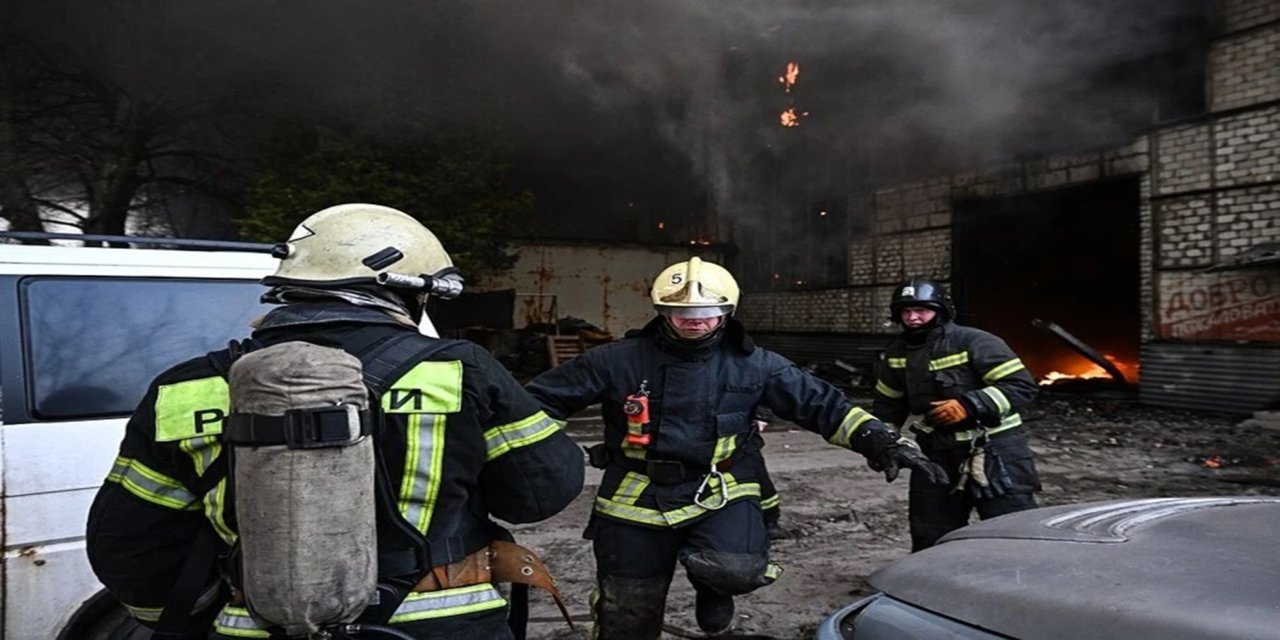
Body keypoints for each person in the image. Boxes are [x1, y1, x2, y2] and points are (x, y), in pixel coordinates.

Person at [85, 203, 585, 640]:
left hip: (250, 624)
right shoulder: (459, 370)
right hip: (442, 624)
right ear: (409, 293)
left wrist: (199, 617)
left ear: (288, 289)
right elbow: (542, 492)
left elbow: (128, 545)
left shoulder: (185, 388)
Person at [525, 257, 946, 639]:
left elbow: (823, 406)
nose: (695, 322)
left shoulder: (756, 364)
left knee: (736, 569)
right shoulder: (615, 360)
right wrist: (536, 457)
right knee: (627, 614)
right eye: (682, 313)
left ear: (727, 311)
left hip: (720, 489)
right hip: (634, 496)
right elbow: (537, 402)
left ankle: (713, 587)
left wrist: (880, 440)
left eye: (706, 313)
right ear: (662, 310)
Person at [871, 277, 1041, 552]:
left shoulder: (975, 341)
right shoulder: (895, 355)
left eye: (921, 310)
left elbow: (1021, 386)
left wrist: (970, 405)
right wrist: (879, 443)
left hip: (996, 452)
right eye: (906, 312)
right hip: (936, 454)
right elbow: (887, 406)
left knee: (1012, 531)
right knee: (930, 534)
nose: (913, 318)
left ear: (941, 310)